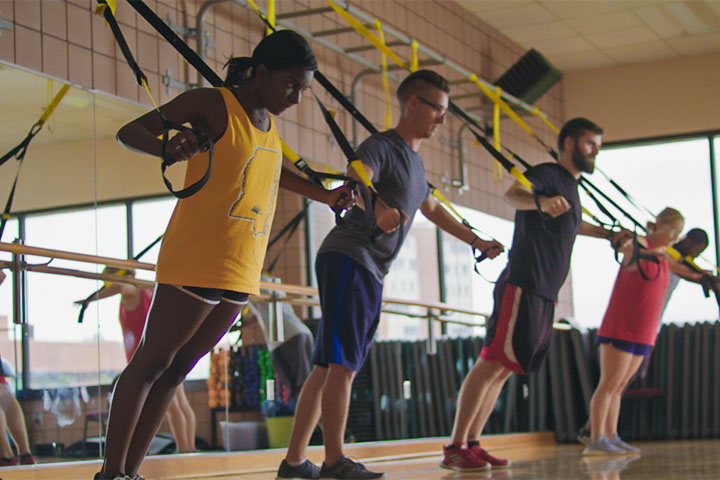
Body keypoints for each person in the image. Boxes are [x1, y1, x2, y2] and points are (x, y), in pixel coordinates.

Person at [94, 30, 350, 480]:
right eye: (291, 84)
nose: (295, 97)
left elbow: (278, 173)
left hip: (241, 267)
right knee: (151, 363)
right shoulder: (213, 104)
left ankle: (129, 474)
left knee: (174, 374)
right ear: (262, 71)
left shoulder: (270, 126)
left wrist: (325, 197)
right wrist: (168, 147)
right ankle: (111, 473)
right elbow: (130, 131)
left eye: (303, 90)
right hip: (197, 256)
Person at [276, 69, 504, 480]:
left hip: (356, 263)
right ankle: (333, 463)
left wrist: (476, 240)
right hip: (353, 257)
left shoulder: (415, 165)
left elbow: (432, 209)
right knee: (342, 365)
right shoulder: (383, 146)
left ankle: (294, 463)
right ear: (412, 103)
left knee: (328, 364)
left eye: (446, 112)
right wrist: (377, 207)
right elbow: (358, 171)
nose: (441, 119)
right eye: (437, 108)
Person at [441, 118, 626, 472]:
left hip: (545, 291)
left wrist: (607, 234)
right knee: (491, 361)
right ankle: (454, 446)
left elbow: (571, 221)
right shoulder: (548, 173)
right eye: (591, 144)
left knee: (506, 368)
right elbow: (513, 194)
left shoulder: (571, 187)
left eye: (598, 146)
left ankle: (473, 444)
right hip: (523, 283)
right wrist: (540, 201)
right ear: (570, 143)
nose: (595, 152)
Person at [584, 208, 686, 455]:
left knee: (619, 386)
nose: (674, 237)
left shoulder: (665, 255)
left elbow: (683, 271)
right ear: (659, 225)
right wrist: (650, 250)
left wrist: (706, 278)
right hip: (621, 327)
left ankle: (611, 435)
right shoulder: (639, 244)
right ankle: (595, 437)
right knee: (608, 383)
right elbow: (625, 248)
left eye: (678, 234)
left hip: (644, 331)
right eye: (672, 231)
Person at [77, 267, 196, 454]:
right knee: (180, 403)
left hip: (153, 357)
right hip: (167, 351)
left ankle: (185, 450)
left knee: (172, 406)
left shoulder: (132, 293)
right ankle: (190, 449)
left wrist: (90, 300)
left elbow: (122, 287)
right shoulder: (148, 291)